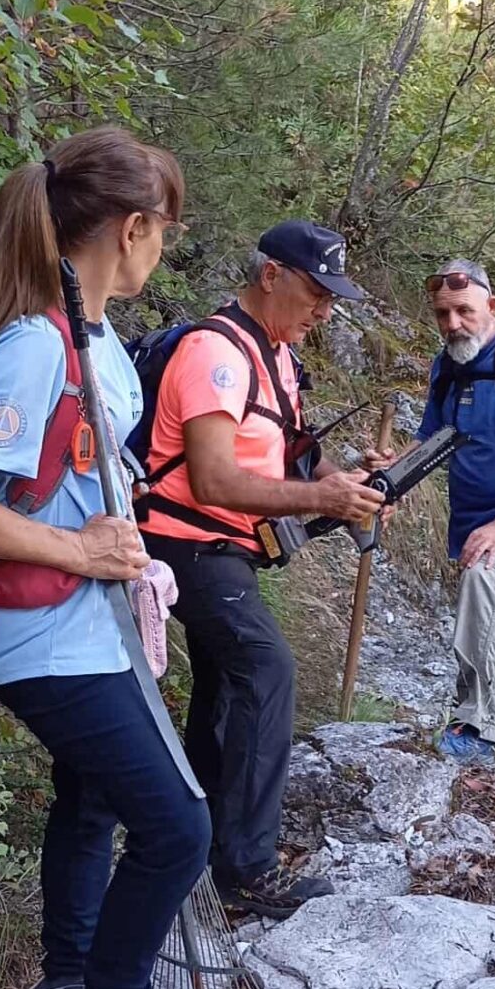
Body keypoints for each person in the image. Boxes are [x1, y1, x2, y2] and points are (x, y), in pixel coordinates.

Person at [0, 127, 212, 989]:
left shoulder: (86, 338)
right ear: (131, 229)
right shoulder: (35, 344)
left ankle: (66, 982)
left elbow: (82, 474)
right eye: (162, 231)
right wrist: (80, 552)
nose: (161, 248)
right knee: (178, 825)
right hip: (43, 635)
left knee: (92, 803)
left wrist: (123, 550)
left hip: (87, 625)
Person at [138, 220, 383, 919]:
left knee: (225, 689)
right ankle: (248, 865)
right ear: (271, 274)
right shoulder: (215, 352)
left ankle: (206, 846)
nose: (324, 311)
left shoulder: (274, 355)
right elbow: (214, 479)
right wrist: (321, 497)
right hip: (184, 545)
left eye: (332, 299)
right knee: (266, 670)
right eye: (316, 292)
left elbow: (290, 455)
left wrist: (350, 485)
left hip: (226, 551)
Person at [369, 259, 495, 761]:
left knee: (485, 577)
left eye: (464, 310)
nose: (453, 323)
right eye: (443, 314)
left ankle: (477, 727)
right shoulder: (448, 364)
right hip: (475, 518)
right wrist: (390, 479)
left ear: (492, 306)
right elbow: (431, 443)